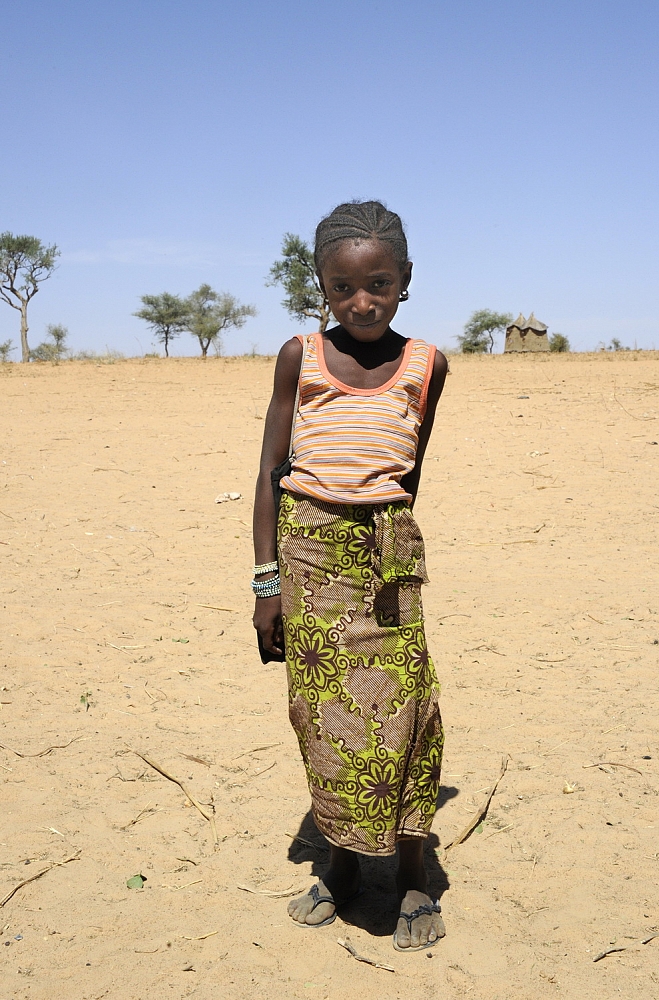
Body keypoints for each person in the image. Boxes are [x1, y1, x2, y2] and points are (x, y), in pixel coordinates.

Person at [252, 201, 448, 951]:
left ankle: (410, 871)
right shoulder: (297, 357)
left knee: (407, 708)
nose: (362, 302)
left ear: (405, 281)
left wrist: (388, 545)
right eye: (343, 288)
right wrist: (267, 585)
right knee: (323, 715)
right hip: (307, 555)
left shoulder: (429, 365)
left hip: (389, 559)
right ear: (321, 288)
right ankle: (337, 864)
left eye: (380, 284)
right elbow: (272, 472)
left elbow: (412, 467)